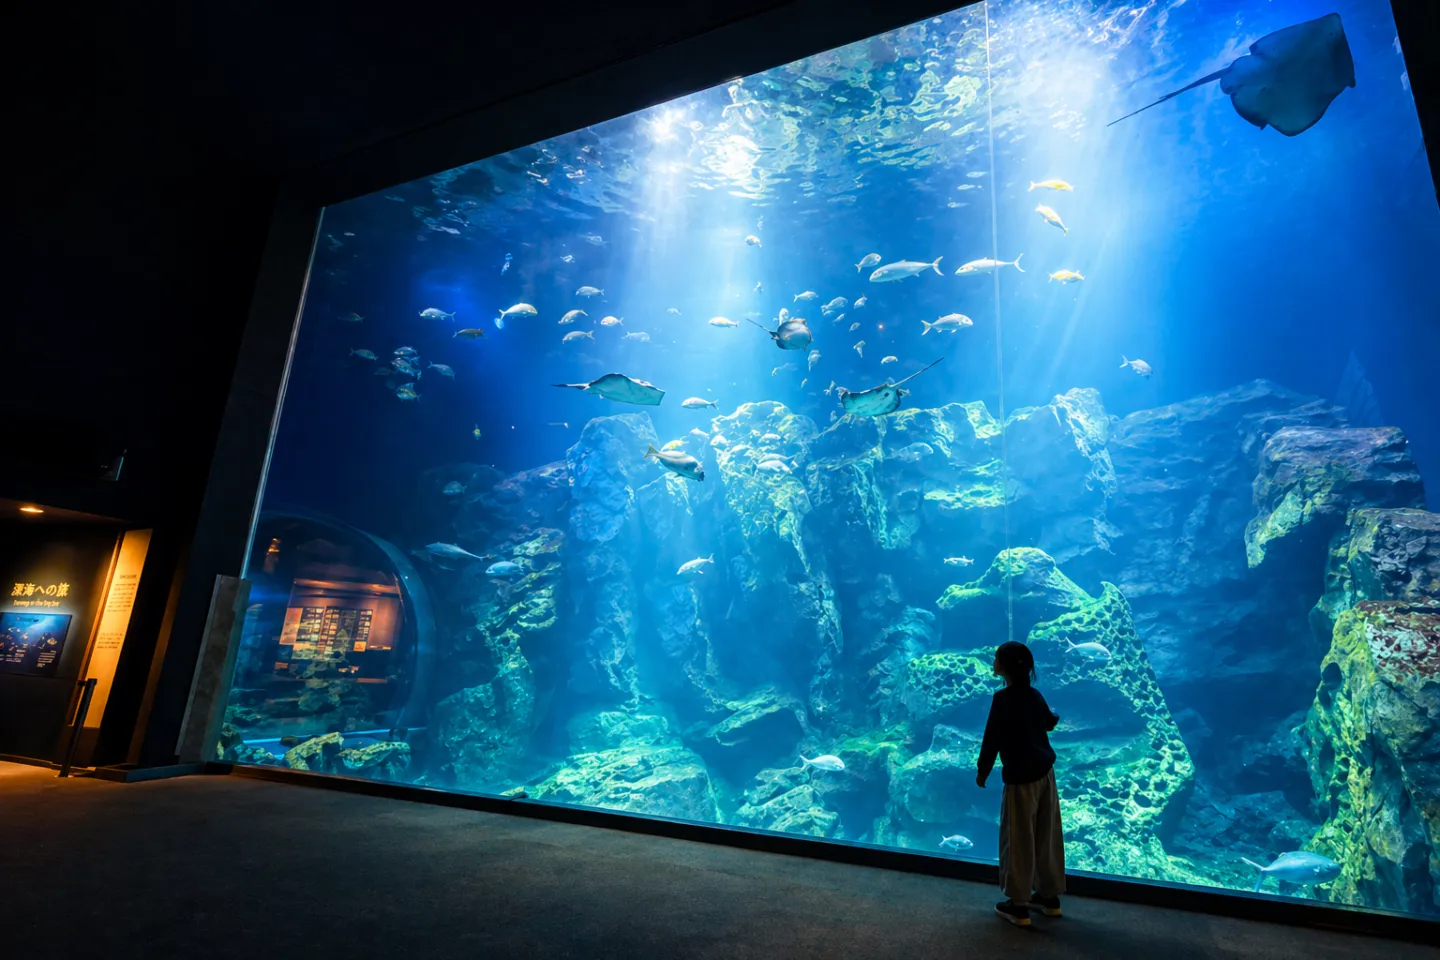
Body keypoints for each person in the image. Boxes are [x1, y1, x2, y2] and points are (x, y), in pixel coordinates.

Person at [976, 639, 1064, 927]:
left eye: (996, 657)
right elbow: (1050, 722)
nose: (993, 661)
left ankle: (1018, 904)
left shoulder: (1002, 700)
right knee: (1046, 834)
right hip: (1045, 774)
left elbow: (991, 740)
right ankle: (1049, 898)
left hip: (1020, 779)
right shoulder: (1034, 694)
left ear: (1004, 667)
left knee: (1018, 838)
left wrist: (983, 771)